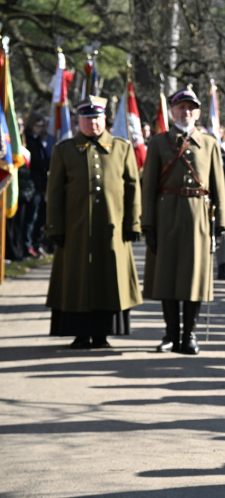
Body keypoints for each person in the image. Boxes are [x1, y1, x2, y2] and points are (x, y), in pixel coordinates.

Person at [45, 97, 142, 348]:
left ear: (105, 119)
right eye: (87, 118)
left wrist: (133, 224)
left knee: (109, 280)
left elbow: (133, 189)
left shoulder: (122, 148)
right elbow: (54, 193)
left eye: (97, 118)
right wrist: (55, 227)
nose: (93, 123)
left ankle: (102, 335)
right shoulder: (64, 150)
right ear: (78, 121)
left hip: (112, 230)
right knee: (77, 281)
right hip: (75, 231)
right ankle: (79, 334)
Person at [141, 88, 225, 355]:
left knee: (194, 278)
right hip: (165, 215)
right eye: (181, 107)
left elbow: (217, 186)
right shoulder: (158, 143)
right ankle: (170, 334)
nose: (186, 112)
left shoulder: (210, 144)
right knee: (167, 277)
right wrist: (148, 225)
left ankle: (189, 334)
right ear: (172, 111)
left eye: (191, 108)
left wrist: (221, 222)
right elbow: (148, 187)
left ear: (198, 113)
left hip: (198, 217)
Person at [23, 112, 50, 257]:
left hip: (41, 185)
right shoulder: (28, 141)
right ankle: (27, 246)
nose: (40, 129)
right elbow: (36, 163)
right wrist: (51, 161)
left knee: (40, 216)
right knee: (30, 217)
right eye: (37, 126)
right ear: (31, 125)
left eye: (42, 126)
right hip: (32, 184)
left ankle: (36, 244)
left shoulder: (38, 140)